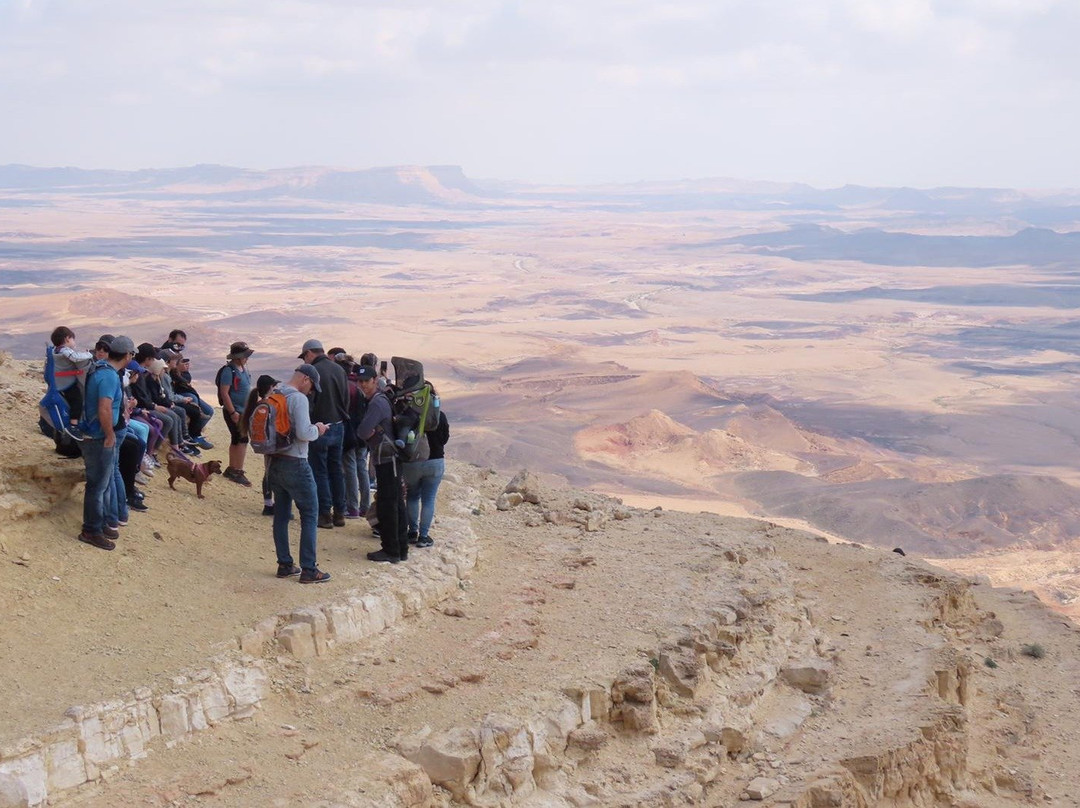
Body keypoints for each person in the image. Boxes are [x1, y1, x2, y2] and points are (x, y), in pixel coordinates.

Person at [266, 364, 331, 583]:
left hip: (274, 462)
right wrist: (318, 429)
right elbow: (304, 433)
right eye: (311, 385)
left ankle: (284, 565)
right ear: (305, 379)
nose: (311, 391)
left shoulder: (275, 393)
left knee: (281, 516)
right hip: (296, 463)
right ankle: (309, 569)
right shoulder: (298, 399)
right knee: (310, 514)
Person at [77, 335, 135, 551]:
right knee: (97, 485)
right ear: (128, 355)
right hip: (98, 437)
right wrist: (110, 435)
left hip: (94, 434)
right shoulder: (109, 377)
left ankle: (99, 524)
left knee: (101, 483)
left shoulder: (101, 370)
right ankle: (91, 530)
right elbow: (104, 407)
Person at [354, 365, 408, 563]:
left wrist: (371, 433)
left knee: (388, 505)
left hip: (387, 460)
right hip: (390, 459)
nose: (362, 385)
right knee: (396, 504)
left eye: (366, 381)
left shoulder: (376, 403)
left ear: (375, 381)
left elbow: (362, 431)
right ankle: (400, 549)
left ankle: (391, 550)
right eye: (359, 381)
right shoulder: (380, 400)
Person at [298, 339, 349, 528]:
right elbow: (346, 400)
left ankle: (325, 514)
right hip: (338, 425)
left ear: (310, 353)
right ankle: (340, 513)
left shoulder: (313, 372)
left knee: (319, 470)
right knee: (336, 470)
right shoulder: (339, 369)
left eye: (305, 356)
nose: (305, 360)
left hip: (319, 426)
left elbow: (309, 402)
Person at [403, 406, 449, 549]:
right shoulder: (440, 415)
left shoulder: (409, 414)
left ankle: (412, 532)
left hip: (413, 463)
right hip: (435, 462)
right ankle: (423, 537)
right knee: (428, 499)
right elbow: (444, 438)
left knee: (412, 496)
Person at [218, 341, 254, 487]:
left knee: (237, 439)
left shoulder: (243, 369)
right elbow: (224, 393)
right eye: (245, 355)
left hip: (242, 412)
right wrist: (232, 412)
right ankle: (237, 470)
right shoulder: (229, 371)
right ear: (237, 357)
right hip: (235, 412)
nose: (247, 358)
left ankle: (233, 468)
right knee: (242, 439)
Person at [50, 326, 94, 436]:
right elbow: (75, 357)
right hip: (66, 383)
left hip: (58, 382)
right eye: (73, 339)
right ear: (67, 338)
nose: (74, 342)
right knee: (77, 401)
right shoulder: (65, 350)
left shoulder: (55, 350)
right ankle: (73, 426)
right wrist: (89, 354)